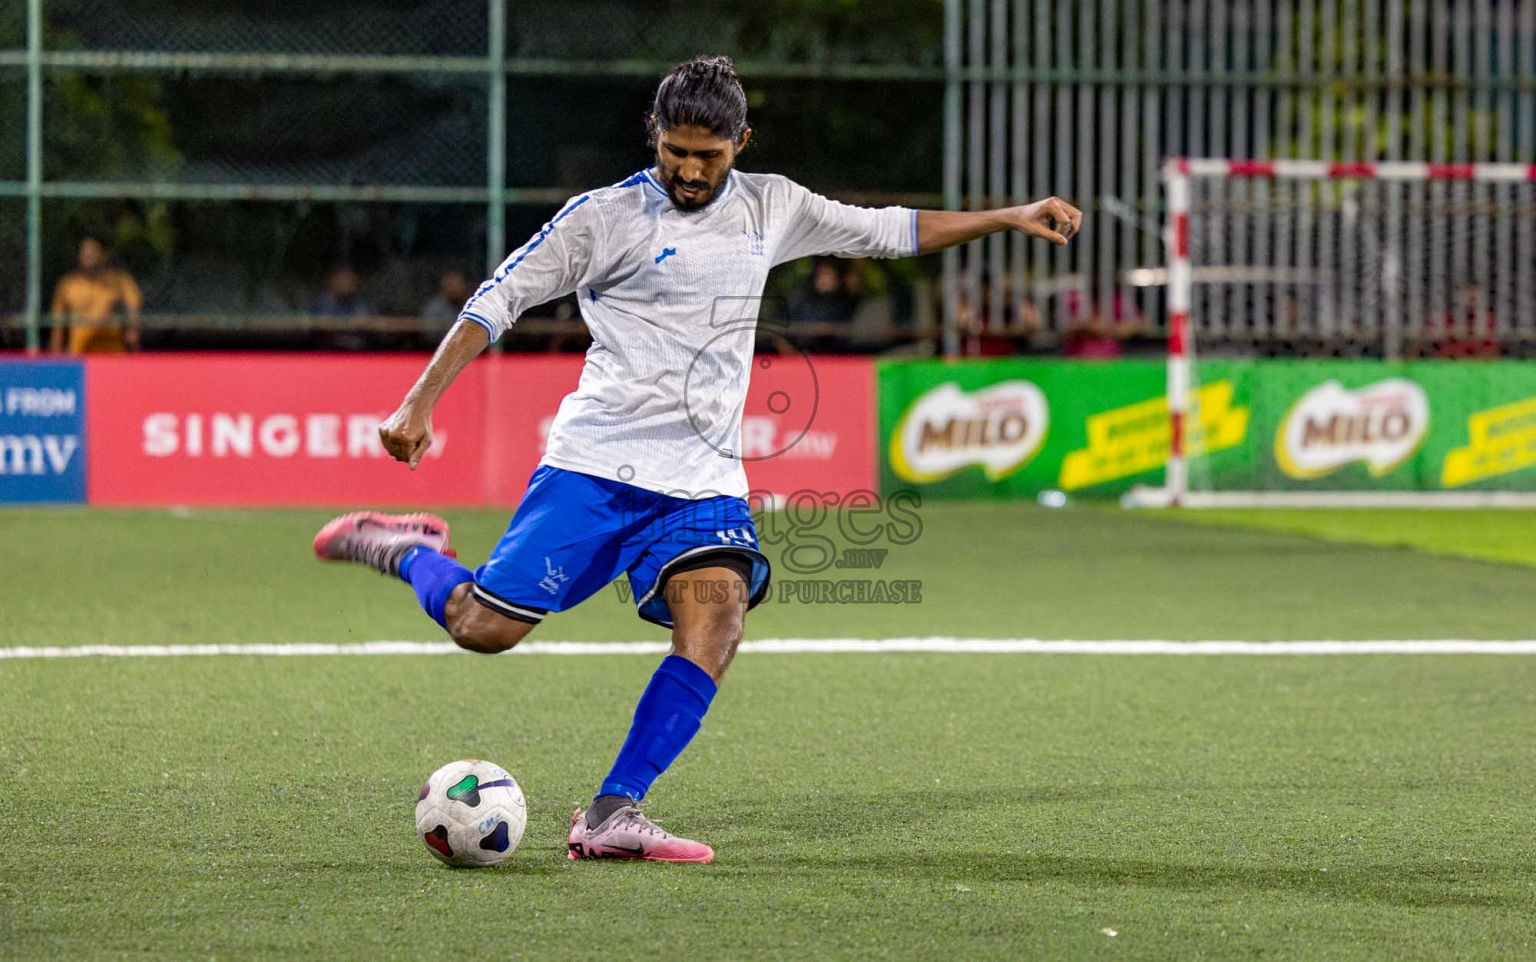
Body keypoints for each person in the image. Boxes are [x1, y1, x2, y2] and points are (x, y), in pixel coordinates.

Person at [312, 56, 1081, 863]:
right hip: (597, 464)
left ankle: (613, 811)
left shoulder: (771, 205)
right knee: (483, 628)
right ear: (654, 134)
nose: (687, 168)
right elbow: (496, 298)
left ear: (741, 142)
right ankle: (412, 552)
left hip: (704, 479)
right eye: (674, 150)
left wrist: (1009, 216)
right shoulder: (601, 218)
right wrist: (419, 400)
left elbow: (888, 228)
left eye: (707, 155)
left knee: (717, 617)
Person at [48, 237, 143, 354]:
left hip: (110, 344)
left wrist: (133, 329)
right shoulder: (68, 283)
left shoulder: (118, 279)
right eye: (85, 252)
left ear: (102, 254)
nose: (89, 255)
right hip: (80, 346)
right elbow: (58, 321)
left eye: (93, 251)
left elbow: (134, 303)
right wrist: (55, 350)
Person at [311, 264, 372, 351]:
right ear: (333, 281)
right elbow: (324, 331)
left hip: (356, 353)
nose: (346, 283)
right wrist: (345, 342)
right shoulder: (324, 302)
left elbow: (368, 324)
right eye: (342, 279)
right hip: (328, 354)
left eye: (349, 279)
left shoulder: (359, 304)